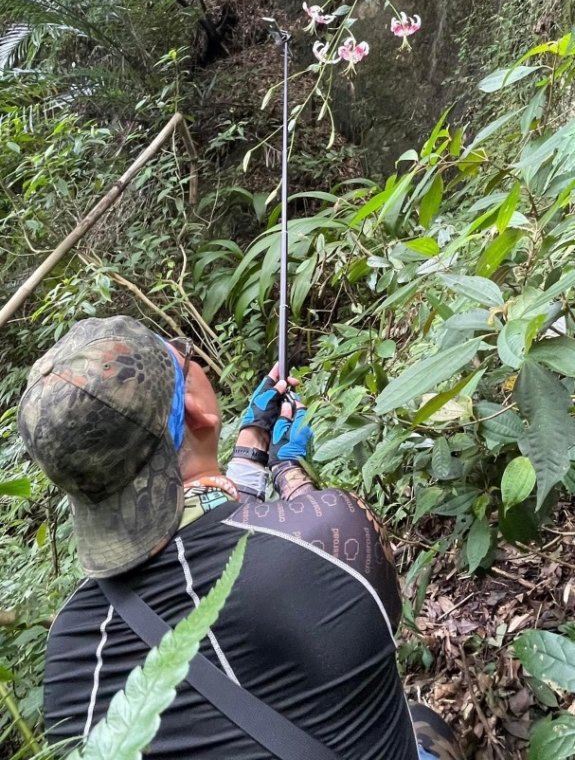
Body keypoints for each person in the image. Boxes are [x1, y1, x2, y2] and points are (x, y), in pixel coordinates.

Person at [18, 315, 463, 760]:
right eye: (185, 354)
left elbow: (200, 538)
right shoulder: (330, 535)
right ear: (196, 409)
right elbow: (317, 550)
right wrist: (289, 469)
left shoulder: (69, 652)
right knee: (424, 721)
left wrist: (251, 444)